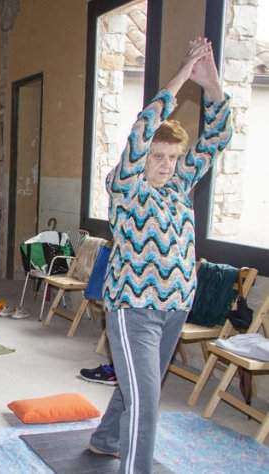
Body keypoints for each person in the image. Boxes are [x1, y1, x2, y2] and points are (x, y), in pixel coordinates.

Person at [89, 37, 231, 473]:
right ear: (142, 157)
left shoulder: (177, 185)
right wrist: (184, 75)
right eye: (157, 156)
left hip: (175, 306)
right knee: (148, 403)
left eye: (172, 156)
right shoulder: (125, 187)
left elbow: (218, 137)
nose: (166, 164)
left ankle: (105, 438)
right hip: (134, 310)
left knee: (139, 387)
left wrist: (213, 86)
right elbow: (141, 128)